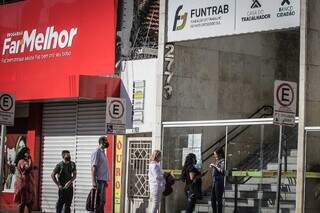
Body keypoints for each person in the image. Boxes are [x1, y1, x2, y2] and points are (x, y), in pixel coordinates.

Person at [91, 136, 110, 213]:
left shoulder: (102, 152)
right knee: (98, 202)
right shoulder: (97, 152)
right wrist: (93, 181)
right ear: (102, 142)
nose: (107, 143)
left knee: (102, 201)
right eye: (106, 141)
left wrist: (105, 180)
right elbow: (93, 167)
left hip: (103, 180)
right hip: (98, 180)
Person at [13, 147, 35, 213]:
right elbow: (28, 168)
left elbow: (30, 168)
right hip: (23, 185)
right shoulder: (22, 161)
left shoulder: (26, 161)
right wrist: (30, 159)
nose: (29, 153)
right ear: (24, 153)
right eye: (27, 152)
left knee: (31, 202)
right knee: (23, 203)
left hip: (29, 185)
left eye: (29, 152)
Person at [210, 148, 225, 213]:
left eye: (215, 154)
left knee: (218, 199)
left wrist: (214, 166)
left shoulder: (223, 161)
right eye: (214, 155)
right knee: (212, 199)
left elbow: (222, 171)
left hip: (219, 181)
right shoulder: (217, 161)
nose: (215, 156)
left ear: (220, 154)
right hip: (214, 181)